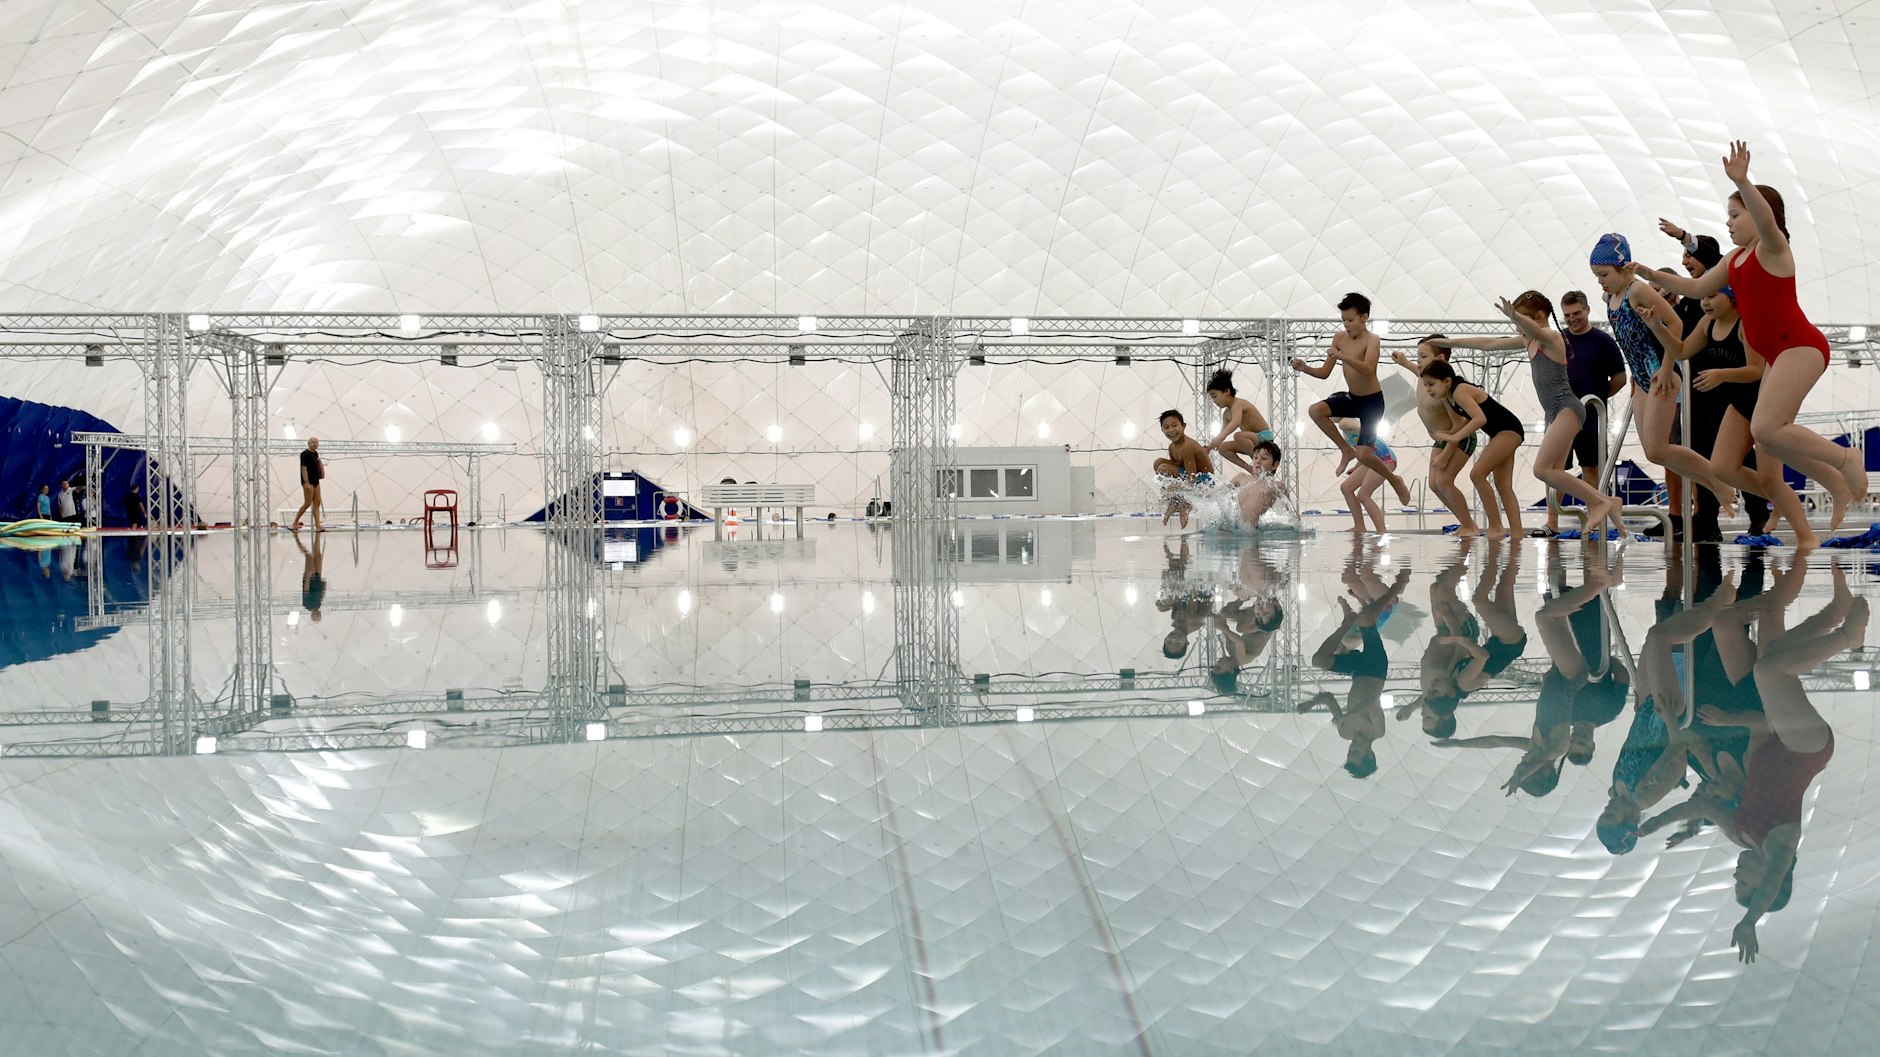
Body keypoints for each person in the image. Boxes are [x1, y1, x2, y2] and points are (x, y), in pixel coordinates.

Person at [1628, 142, 1865, 532]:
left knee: (1765, 429)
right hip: (1777, 354)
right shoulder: (1733, 259)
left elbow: (1767, 222)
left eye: (1736, 215)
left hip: (1800, 345)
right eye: (1728, 216)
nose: (1729, 223)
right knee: (1768, 440)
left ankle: (1845, 459)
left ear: (1759, 214)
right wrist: (1651, 275)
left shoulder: (1773, 249)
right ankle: (1833, 481)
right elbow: (1696, 287)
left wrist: (1742, 181)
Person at [1639, 559, 1862, 963]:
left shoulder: (1739, 834)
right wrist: (1750, 920)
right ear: (1766, 884)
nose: (1736, 876)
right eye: (1744, 884)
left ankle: (1835, 614)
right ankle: (1848, 636)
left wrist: (1653, 823)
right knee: (1771, 671)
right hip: (1805, 750)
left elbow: (1700, 808)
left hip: (1779, 740)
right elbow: (1774, 878)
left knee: (1770, 659)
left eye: (1735, 883)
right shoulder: (1780, 846)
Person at [1431, 293, 1624, 539]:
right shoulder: (1528, 339)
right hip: (1557, 412)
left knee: (1542, 469)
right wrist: (1451, 343)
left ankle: (1598, 502)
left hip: (1568, 408)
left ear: (1539, 317)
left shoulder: (1552, 337)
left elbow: (1538, 331)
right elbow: (1489, 344)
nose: (1516, 327)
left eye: (1519, 321)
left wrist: (1516, 316)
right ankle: (1608, 502)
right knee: (1551, 470)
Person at [1660, 285, 1811, 546]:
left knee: (1766, 473)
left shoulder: (1746, 325)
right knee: (1723, 467)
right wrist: (1656, 325)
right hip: (1738, 400)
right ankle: (1780, 499)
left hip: (1764, 399)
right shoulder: (1708, 323)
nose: (1705, 303)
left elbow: (1756, 369)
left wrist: (1722, 375)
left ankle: (1799, 526)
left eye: (1712, 296)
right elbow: (1682, 351)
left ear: (1732, 299)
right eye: (1703, 297)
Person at [1292, 292, 1413, 504]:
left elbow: (1368, 369)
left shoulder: (1372, 340)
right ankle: (1345, 449)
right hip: (1353, 398)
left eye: (1350, 320)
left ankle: (1395, 480)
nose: (1346, 325)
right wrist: (1305, 368)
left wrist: (1342, 356)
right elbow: (1325, 373)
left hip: (1372, 402)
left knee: (1364, 455)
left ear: (1364, 317)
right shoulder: (1339, 338)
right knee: (1315, 410)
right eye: (1343, 320)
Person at [1416, 359, 1526, 539]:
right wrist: (1451, 432)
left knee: (1477, 474)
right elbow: (1468, 419)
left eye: (1431, 384)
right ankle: (1517, 534)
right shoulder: (1449, 397)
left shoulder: (1460, 391)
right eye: (1425, 385)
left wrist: (1455, 437)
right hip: (1501, 432)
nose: (1428, 389)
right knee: (1503, 485)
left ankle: (1496, 527)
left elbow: (1480, 419)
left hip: (1508, 430)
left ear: (1447, 381)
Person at [1390, 338, 1479, 536]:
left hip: (1459, 438)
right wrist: (1404, 362)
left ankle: (1469, 525)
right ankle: (1466, 522)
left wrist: (1446, 455)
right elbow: (1417, 370)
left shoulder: (1444, 390)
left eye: (1423, 356)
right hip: (1441, 440)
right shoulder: (1426, 378)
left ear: (1440, 359)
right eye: (1417, 356)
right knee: (1434, 484)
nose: (1418, 361)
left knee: (1444, 481)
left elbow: (1460, 424)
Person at [1556, 291, 1628, 533]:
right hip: (1562, 414)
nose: (1572, 318)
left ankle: (1594, 516)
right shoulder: (1559, 340)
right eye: (1567, 315)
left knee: (1592, 467)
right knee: (1554, 468)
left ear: (1587, 310)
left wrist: (1598, 398)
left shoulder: (1603, 341)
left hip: (1592, 417)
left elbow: (1620, 378)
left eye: (1576, 313)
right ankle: (1552, 521)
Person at [1201, 370, 1274, 474]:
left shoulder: (1238, 404)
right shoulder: (1226, 414)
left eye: (1215, 396)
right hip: (1251, 442)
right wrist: (1209, 447)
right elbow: (1222, 433)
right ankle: (1250, 469)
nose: (1214, 401)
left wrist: (1220, 437)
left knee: (1238, 436)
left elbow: (1236, 422)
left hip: (1265, 439)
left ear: (1227, 391)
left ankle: (1257, 464)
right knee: (1222, 448)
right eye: (1212, 398)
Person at [1153, 409, 1214, 528]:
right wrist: (1167, 489)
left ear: (1184, 426)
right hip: (1190, 475)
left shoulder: (1187, 446)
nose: (1171, 430)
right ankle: (1176, 501)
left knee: (1163, 468)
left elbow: (1192, 475)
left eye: (1174, 425)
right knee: (1158, 463)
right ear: (1162, 430)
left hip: (1205, 480)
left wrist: (1178, 487)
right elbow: (1175, 470)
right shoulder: (1172, 447)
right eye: (1166, 427)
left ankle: (1184, 504)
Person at [1336, 417, 1396, 533]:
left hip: (1384, 459)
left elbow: (1366, 429)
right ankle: (1359, 526)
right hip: (1373, 459)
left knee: (1364, 495)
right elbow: (1363, 452)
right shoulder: (1345, 428)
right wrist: (1355, 468)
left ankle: (1381, 530)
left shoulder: (1345, 422)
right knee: (1346, 488)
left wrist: (1371, 439)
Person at [1229, 440, 1289, 526]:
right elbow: (1221, 493)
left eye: (1264, 458)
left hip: (1252, 531)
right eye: (1255, 457)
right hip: (1233, 527)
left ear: (1275, 465)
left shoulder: (1276, 486)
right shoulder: (1241, 478)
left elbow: (1292, 512)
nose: (1258, 461)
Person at [292, 437, 325, 532]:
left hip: (316, 481)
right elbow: (304, 468)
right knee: (307, 503)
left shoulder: (316, 453)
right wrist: (306, 482)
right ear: (309, 443)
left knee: (317, 503)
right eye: (313, 442)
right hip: (308, 481)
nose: (315, 444)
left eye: (317, 442)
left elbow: (317, 465)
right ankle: (295, 522)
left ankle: (318, 526)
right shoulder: (304, 454)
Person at [296, 528, 326, 622]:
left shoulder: (307, 605)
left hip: (311, 579)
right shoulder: (318, 605)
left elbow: (306, 590)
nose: (318, 614)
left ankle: (297, 539)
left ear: (313, 615)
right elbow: (320, 596)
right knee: (318, 555)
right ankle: (316, 537)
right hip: (317, 578)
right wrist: (324, 587)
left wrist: (308, 577)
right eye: (319, 615)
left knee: (308, 556)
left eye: (317, 615)